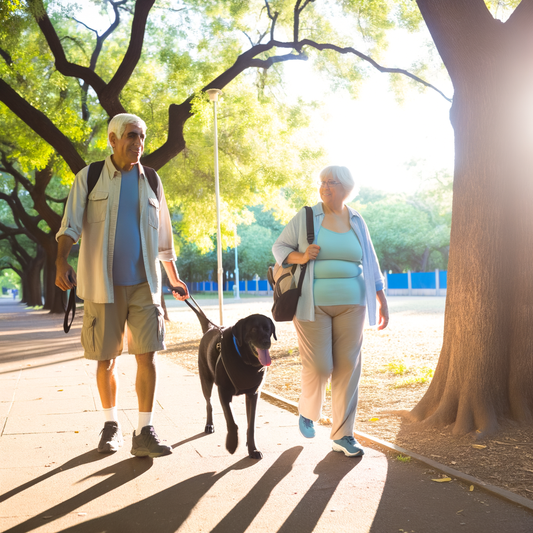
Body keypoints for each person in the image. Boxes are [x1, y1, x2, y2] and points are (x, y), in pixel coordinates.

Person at [55, 113, 189, 458]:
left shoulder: (152, 180)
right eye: (131, 136)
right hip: (103, 285)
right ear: (113, 140)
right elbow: (69, 225)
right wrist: (60, 259)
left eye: (142, 137)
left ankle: (144, 431)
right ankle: (110, 425)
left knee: (148, 356)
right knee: (106, 360)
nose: (138, 144)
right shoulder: (90, 177)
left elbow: (163, 238)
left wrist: (173, 279)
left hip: (145, 283)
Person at [272, 165, 389, 457]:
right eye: (322, 182)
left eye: (332, 182)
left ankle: (343, 435)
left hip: (353, 303)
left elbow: (370, 260)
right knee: (320, 366)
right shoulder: (308, 216)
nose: (325, 187)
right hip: (312, 303)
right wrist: (301, 255)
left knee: (348, 368)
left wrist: (380, 296)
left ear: (346, 187)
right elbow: (279, 247)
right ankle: (309, 410)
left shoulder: (357, 220)